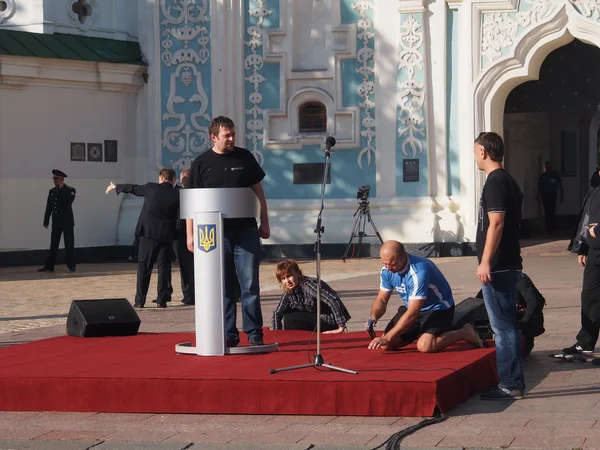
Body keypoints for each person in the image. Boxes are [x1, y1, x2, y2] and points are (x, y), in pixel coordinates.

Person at [187, 116, 270, 347]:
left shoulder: (245, 157)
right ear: (213, 137)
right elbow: (190, 202)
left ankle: (254, 333)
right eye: (227, 135)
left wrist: (264, 220)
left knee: (249, 284)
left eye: (233, 134)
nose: (232, 138)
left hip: (246, 231)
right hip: (214, 235)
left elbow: (258, 191)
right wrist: (190, 234)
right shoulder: (201, 163)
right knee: (223, 285)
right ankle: (228, 333)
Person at [474, 131, 525, 400]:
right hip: (507, 263)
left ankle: (510, 383)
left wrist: (485, 261)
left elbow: (496, 222)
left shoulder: (495, 182)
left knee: (503, 328)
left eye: (475, 152)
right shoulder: (509, 180)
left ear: (483, 152)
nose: (475, 157)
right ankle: (512, 380)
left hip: (498, 265)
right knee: (508, 326)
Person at [366, 240, 486, 353]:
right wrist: (374, 317)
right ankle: (418, 332)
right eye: (384, 264)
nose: (388, 268)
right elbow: (381, 299)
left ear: (403, 257)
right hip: (412, 308)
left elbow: (413, 313)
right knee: (386, 345)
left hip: (438, 308)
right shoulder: (387, 271)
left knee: (425, 346)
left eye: (391, 264)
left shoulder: (418, 272)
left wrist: (388, 336)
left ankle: (464, 332)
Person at [106, 168, 179, 308]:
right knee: (164, 268)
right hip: (166, 235)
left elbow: (134, 189)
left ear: (161, 178)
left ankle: (140, 301)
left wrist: (116, 186)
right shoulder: (177, 194)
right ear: (173, 180)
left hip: (148, 234)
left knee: (144, 267)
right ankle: (162, 300)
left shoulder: (151, 188)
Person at [563, 167, 600, 356]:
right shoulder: (595, 191)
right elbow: (587, 219)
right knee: (590, 296)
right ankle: (585, 342)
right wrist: (583, 248)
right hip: (595, 252)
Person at [476, 272, 545, 356]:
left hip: (518, 329)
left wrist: (523, 324)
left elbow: (534, 302)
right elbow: (478, 302)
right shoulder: (492, 279)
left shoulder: (520, 279)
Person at [272, 259, 350, 333]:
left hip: (328, 319)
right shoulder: (289, 291)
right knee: (288, 314)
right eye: (283, 278)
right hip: (313, 319)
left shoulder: (309, 285)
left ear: (298, 273)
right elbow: (277, 313)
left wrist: (341, 326)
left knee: (291, 319)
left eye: (289, 276)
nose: (287, 281)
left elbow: (332, 300)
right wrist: (277, 334)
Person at [38, 169, 77, 272]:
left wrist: (62, 189)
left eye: (56, 178)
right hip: (56, 222)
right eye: (53, 178)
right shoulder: (52, 192)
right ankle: (49, 265)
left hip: (67, 222)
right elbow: (49, 207)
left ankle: (71, 265)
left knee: (69, 244)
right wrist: (46, 220)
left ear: (61, 179)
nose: (54, 180)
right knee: (53, 244)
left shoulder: (70, 190)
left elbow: (69, 202)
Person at [176, 168, 195, 305]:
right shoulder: (177, 193)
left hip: (194, 233)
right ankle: (189, 294)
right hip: (182, 234)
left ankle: (191, 294)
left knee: (190, 266)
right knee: (186, 266)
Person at [537, 160, 563, 234]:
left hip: (553, 194)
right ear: (545, 167)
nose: (549, 168)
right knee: (547, 210)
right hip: (545, 194)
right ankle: (548, 227)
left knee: (552, 210)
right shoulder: (543, 176)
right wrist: (538, 195)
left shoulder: (555, 174)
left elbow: (560, 185)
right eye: (548, 166)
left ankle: (552, 227)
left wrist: (561, 195)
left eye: (550, 166)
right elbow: (539, 186)